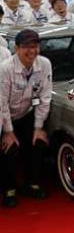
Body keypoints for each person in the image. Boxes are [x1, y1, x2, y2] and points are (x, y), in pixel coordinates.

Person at [0, 30, 52, 208]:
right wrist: (8, 132)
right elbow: (2, 103)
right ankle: (9, 189)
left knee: (38, 142)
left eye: (35, 46)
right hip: (4, 116)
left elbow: (45, 97)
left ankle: (31, 184)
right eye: (27, 47)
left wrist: (38, 127)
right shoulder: (5, 68)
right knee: (10, 148)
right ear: (16, 48)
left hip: (26, 113)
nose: (32, 51)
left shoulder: (44, 64)